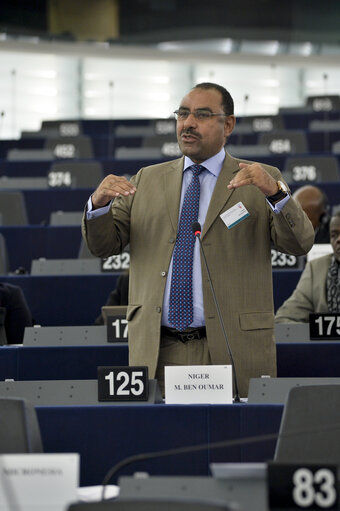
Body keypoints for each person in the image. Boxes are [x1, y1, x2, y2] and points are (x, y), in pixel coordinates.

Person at [82, 82, 314, 397]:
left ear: (228, 124)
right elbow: (102, 247)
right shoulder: (145, 181)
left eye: (202, 115)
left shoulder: (260, 178)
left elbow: (299, 244)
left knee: (235, 443)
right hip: (158, 351)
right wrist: (98, 206)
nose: (188, 123)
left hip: (233, 346)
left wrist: (276, 193)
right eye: (182, 114)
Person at [275, 211, 340, 323]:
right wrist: (312, 334)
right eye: (334, 235)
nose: (338, 240)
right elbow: (284, 319)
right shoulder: (317, 269)